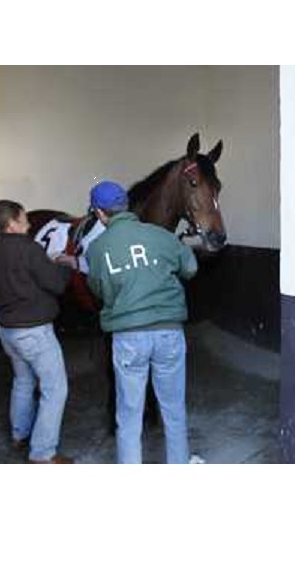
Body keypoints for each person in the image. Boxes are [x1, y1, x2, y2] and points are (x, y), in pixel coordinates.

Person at [85, 180, 200, 464]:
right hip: (168, 333)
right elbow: (191, 268)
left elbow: (100, 291)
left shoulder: (97, 249)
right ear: (126, 205)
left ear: (99, 213)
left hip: (127, 337)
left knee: (128, 413)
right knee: (173, 408)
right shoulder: (161, 236)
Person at [0, 200, 77, 464]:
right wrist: (61, 264)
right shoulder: (29, 249)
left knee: (23, 381)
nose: (28, 222)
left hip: (6, 331)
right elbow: (57, 285)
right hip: (33, 332)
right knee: (55, 389)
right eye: (23, 218)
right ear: (11, 224)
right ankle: (43, 453)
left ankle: (19, 434)